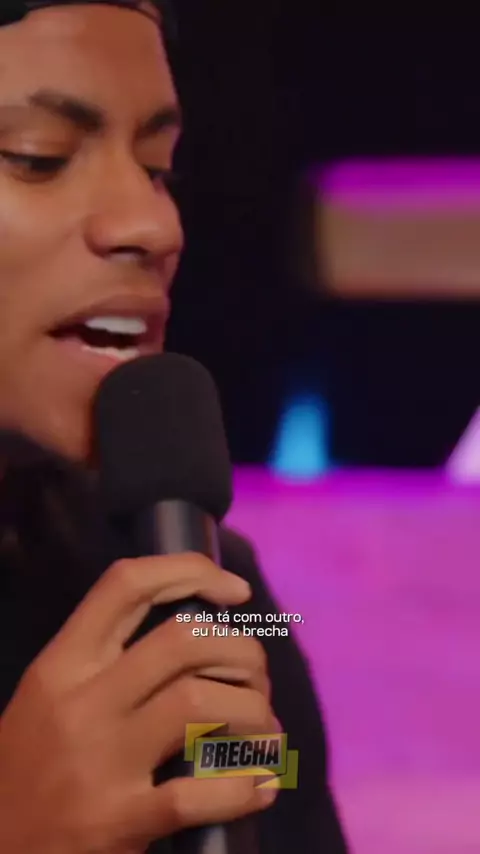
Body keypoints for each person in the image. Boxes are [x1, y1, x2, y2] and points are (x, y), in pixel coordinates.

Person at [0, 2, 348, 852]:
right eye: (39, 158)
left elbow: (282, 802)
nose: (156, 227)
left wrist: (249, 786)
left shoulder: (203, 594)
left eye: (158, 168)